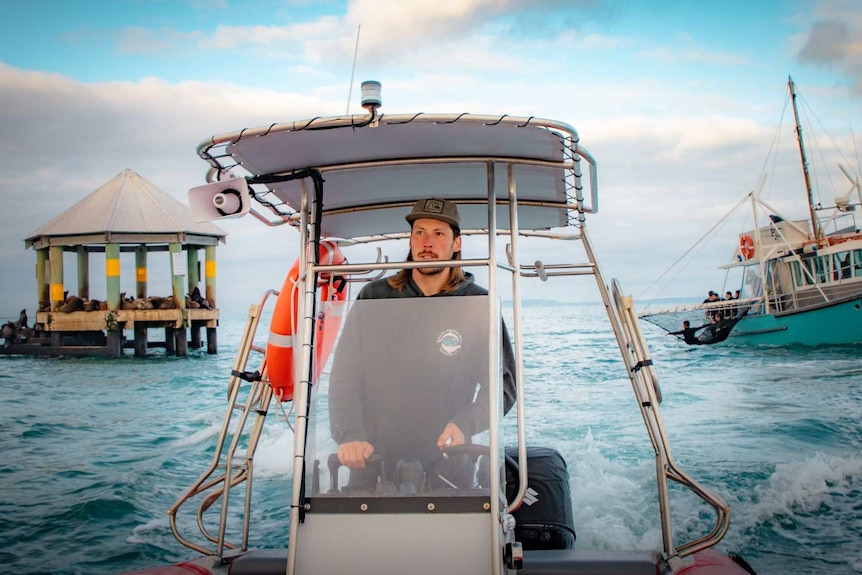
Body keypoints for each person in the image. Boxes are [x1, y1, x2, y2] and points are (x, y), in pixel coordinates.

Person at [328, 197, 517, 488]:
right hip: (373, 463)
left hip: (449, 463)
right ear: (411, 240)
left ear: (457, 244)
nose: (426, 242)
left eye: (438, 233)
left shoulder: (477, 303)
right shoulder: (374, 298)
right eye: (419, 232)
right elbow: (345, 376)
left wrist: (466, 424)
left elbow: (503, 385)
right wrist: (350, 434)